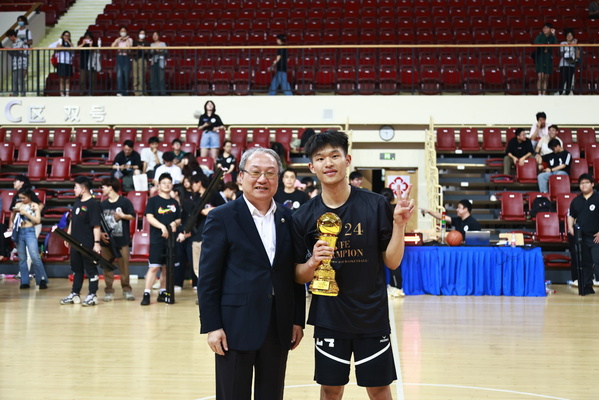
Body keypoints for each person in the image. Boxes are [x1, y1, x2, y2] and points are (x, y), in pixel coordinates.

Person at [292, 130, 414, 400]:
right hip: (329, 316)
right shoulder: (302, 217)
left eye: (335, 156)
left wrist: (399, 225)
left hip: (371, 315)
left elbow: (392, 261)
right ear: (312, 167)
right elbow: (298, 276)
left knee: (379, 389)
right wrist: (312, 262)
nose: (328, 163)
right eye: (320, 158)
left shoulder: (376, 204)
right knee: (330, 389)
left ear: (347, 160)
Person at [199, 147, 305, 400]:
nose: (262, 179)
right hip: (234, 327)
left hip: (278, 325)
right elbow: (208, 278)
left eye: (270, 173)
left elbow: (293, 274)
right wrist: (213, 326)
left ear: (278, 178)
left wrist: (297, 319)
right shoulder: (221, 217)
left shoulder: (289, 218)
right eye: (255, 172)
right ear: (241, 176)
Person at [60, 176, 102, 307]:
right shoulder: (77, 202)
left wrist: (96, 243)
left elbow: (96, 225)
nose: (74, 189)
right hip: (75, 242)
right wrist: (68, 236)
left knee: (91, 269)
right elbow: (73, 220)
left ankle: (92, 295)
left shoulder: (93, 204)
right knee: (77, 269)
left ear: (83, 189)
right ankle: (75, 294)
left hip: (87, 242)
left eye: (76, 187)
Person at [141, 173, 181, 306]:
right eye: (164, 183)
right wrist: (162, 227)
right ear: (159, 185)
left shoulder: (174, 202)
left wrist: (175, 223)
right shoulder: (153, 201)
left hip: (171, 240)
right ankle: (147, 293)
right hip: (157, 239)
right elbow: (149, 217)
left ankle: (162, 292)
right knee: (154, 267)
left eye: (169, 183)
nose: (167, 185)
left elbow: (179, 219)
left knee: (166, 268)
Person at [99, 178, 136, 302]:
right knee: (107, 267)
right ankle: (109, 291)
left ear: (110, 187)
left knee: (124, 266)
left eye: (104, 186)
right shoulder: (102, 204)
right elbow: (97, 222)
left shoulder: (125, 201)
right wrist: (100, 234)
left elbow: (133, 216)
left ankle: (127, 290)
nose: (102, 189)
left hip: (122, 240)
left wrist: (122, 216)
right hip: (106, 242)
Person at [567, 173, 599, 295]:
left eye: (586, 183)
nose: (584, 185)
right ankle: (587, 285)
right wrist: (570, 227)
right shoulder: (576, 200)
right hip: (582, 236)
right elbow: (571, 215)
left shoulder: (597, 198)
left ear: (592, 184)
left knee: (597, 260)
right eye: (581, 183)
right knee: (585, 262)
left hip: (596, 236)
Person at [11, 188, 48, 290]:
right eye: (20, 198)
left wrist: (26, 213)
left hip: (30, 231)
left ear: (29, 196)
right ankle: (24, 281)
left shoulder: (34, 205)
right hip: (20, 231)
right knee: (22, 258)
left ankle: (41, 280)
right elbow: (13, 220)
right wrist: (14, 213)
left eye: (24, 198)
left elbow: (37, 220)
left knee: (35, 256)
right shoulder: (18, 205)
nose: (22, 200)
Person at [533, 23, 557, 95]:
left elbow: (555, 43)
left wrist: (554, 35)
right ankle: (539, 93)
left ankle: (543, 94)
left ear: (550, 29)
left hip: (548, 59)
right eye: (544, 28)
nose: (544, 29)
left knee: (546, 77)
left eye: (546, 28)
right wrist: (544, 46)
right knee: (541, 77)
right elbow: (536, 42)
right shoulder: (540, 36)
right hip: (540, 58)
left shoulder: (552, 37)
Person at [49, 30, 73, 97]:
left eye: (68, 36)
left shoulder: (70, 44)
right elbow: (50, 46)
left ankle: (67, 94)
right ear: (62, 36)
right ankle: (62, 93)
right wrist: (59, 43)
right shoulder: (59, 42)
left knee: (67, 79)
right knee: (61, 79)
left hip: (68, 62)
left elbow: (73, 53)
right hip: (61, 62)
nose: (66, 37)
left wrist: (70, 45)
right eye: (65, 35)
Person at [112, 26, 133, 96]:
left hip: (126, 57)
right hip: (119, 57)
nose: (123, 32)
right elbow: (112, 46)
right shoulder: (118, 40)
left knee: (126, 75)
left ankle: (126, 91)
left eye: (124, 31)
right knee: (119, 75)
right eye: (121, 31)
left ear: (126, 32)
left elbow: (129, 47)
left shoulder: (130, 39)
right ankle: (119, 91)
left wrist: (126, 40)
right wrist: (118, 39)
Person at [77, 31, 100, 95]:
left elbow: (95, 51)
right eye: (86, 37)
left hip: (92, 64)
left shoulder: (94, 45)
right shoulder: (82, 45)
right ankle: (82, 93)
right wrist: (83, 44)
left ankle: (91, 93)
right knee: (82, 80)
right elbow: (77, 49)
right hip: (83, 64)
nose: (87, 39)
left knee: (92, 80)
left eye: (89, 38)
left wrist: (90, 45)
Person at [558, 30, 579, 96]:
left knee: (569, 80)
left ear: (573, 37)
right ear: (566, 36)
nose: (569, 37)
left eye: (571, 35)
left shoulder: (575, 44)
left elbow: (577, 55)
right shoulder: (563, 43)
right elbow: (562, 53)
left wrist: (575, 46)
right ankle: (560, 93)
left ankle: (568, 93)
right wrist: (570, 46)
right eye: (568, 35)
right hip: (563, 64)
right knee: (563, 79)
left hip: (571, 65)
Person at [6, 30, 27, 97]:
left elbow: (17, 50)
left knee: (20, 80)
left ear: (12, 36)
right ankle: (15, 94)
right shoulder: (14, 44)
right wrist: (8, 50)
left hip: (20, 64)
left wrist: (10, 49)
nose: (9, 39)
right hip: (15, 64)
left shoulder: (20, 42)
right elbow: (13, 54)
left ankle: (23, 94)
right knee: (14, 80)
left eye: (9, 37)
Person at [132, 28, 150, 95]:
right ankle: (136, 93)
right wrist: (136, 48)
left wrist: (142, 48)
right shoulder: (134, 42)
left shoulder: (147, 43)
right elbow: (132, 51)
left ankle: (142, 92)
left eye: (143, 33)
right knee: (135, 76)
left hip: (142, 59)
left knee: (141, 76)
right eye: (141, 33)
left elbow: (147, 51)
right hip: (135, 59)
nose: (142, 35)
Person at [150, 31, 167, 96]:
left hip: (161, 62)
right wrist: (156, 50)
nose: (155, 36)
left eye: (156, 35)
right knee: (154, 79)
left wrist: (158, 50)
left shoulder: (163, 43)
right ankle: (154, 93)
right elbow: (151, 52)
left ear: (158, 36)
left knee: (161, 78)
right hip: (154, 62)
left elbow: (165, 51)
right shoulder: (151, 44)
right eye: (153, 35)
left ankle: (163, 93)